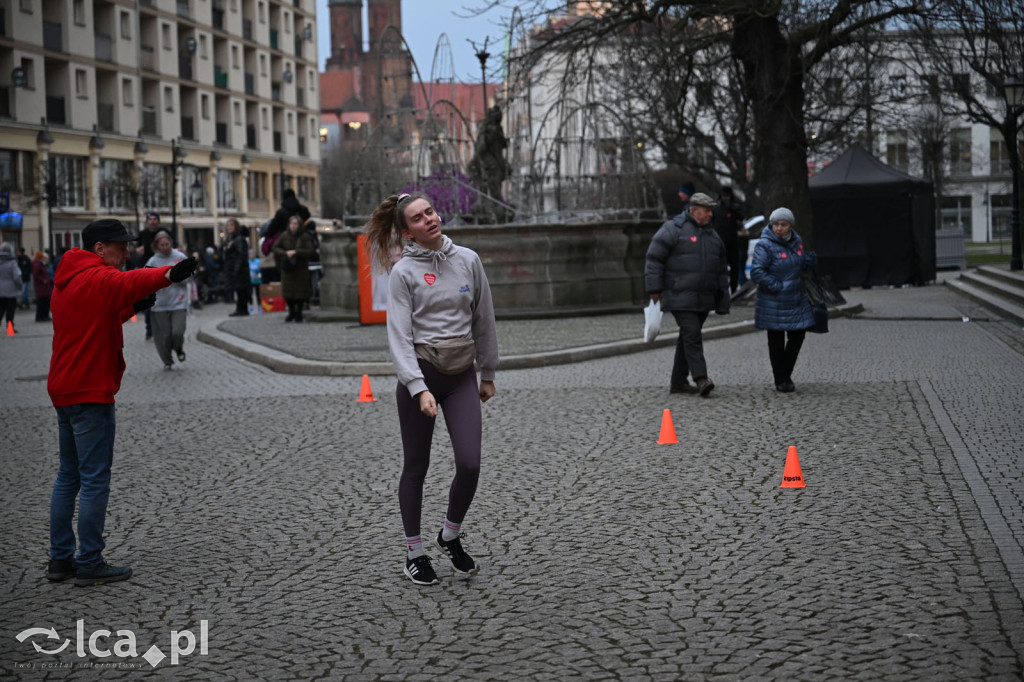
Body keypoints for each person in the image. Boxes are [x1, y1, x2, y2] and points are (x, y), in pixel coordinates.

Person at [46, 218, 197, 586]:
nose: (127, 252)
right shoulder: (97, 276)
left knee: (68, 476)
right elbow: (127, 282)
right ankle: (90, 562)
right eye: (121, 246)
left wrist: (133, 308)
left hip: (64, 388)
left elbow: (98, 315)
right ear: (100, 248)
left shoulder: (68, 279)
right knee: (95, 479)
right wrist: (169, 274)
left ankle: (60, 559)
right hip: (90, 390)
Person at [364, 193, 499, 586]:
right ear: (408, 231)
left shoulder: (468, 260)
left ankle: (450, 535)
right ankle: (415, 552)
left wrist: (487, 371)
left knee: (470, 463)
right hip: (421, 373)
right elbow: (399, 337)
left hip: (461, 376)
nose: (429, 219)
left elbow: (484, 319)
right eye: (418, 218)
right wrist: (417, 386)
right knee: (416, 466)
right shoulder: (403, 272)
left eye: (430, 212)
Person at [645, 192, 730, 397]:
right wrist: (654, 290)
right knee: (692, 334)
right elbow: (654, 259)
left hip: (703, 296)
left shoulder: (711, 234)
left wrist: (722, 298)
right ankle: (701, 378)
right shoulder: (673, 229)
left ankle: (678, 382)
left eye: (711, 210)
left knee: (687, 337)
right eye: (707, 210)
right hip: (679, 295)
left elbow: (720, 268)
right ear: (694, 210)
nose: (711, 214)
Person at [750, 207, 817, 393]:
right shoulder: (765, 245)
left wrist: (807, 263)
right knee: (776, 340)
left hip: (796, 298)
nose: (779, 228)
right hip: (774, 301)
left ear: (790, 226)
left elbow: (798, 266)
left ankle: (785, 373)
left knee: (798, 334)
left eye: (784, 224)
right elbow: (757, 272)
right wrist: (777, 286)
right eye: (776, 224)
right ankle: (781, 379)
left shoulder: (797, 242)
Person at [145, 231, 191, 369]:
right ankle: (167, 361)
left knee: (177, 332)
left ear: (171, 243)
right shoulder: (152, 262)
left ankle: (178, 347)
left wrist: (177, 277)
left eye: (167, 244)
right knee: (164, 337)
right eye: (162, 245)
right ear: (157, 246)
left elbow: (189, 277)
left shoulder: (180, 257)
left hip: (178, 302)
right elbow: (145, 281)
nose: (165, 247)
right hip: (160, 304)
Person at [272, 215, 314, 322]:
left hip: (301, 268)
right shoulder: (284, 235)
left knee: (300, 293)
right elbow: (275, 247)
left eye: (295, 224)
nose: (293, 226)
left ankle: (298, 312)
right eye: (291, 224)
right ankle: (291, 311)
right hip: (288, 268)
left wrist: (297, 252)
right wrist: (285, 253)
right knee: (288, 292)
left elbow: (310, 251)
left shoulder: (304, 236)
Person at [712, 186, 745, 294]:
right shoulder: (716, 209)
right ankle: (721, 289)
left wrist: (731, 208)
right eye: (723, 196)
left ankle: (734, 289)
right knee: (720, 268)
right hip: (719, 242)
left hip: (732, 242)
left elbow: (741, 217)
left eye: (727, 196)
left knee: (734, 267)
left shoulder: (734, 207)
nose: (725, 198)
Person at [223, 219, 251, 317]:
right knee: (239, 290)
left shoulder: (239, 239)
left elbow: (240, 255)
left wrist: (236, 269)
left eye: (231, 225)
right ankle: (241, 309)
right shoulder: (233, 239)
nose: (229, 227)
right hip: (235, 268)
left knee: (241, 289)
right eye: (228, 225)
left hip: (239, 270)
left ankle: (242, 309)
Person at [0, 242, 22, 332]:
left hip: (0, 290)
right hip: (11, 291)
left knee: (0, 310)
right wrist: (20, 285)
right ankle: (10, 328)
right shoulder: (12, 262)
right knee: (10, 310)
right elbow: (16, 276)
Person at [32, 250, 54, 322]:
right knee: (42, 302)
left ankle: (43, 316)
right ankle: (41, 316)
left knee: (44, 302)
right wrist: (43, 280)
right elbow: (36, 275)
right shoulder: (37, 264)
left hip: (43, 287)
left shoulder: (39, 264)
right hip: (41, 287)